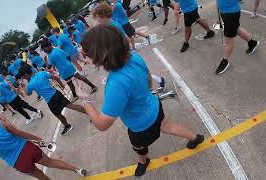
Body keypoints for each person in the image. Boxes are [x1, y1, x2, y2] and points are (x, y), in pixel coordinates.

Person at [80, 25, 204, 177]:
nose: (86, 56)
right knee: (167, 126)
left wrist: (85, 101)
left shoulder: (116, 83)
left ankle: (143, 162)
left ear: (101, 54)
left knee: (139, 147)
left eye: (88, 53)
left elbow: (102, 124)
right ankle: (195, 137)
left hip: (139, 126)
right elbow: (148, 79)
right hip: (155, 105)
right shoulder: (134, 57)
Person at [0, 113, 87, 179]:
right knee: (51, 162)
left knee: (41, 176)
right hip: (27, 148)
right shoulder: (0, 124)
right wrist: (39, 140)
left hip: (18, 162)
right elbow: (20, 133)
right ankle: (77, 170)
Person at [19, 64, 90, 135]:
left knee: (57, 114)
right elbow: (56, 78)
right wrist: (61, 85)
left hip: (50, 101)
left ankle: (67, 126)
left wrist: (23, 87)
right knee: (71, 105)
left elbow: (28, 93)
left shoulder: (30, 85)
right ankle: (90, 114)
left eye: (23, 76)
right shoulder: (41, 73)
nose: (23, 77)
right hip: (56, 93)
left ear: (25, 74)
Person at [215, 0, 260, 74]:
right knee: (237, 29)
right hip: (224, 12)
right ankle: (252, 43)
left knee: (228, 39)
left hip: (231, 13)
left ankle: (225, 61)